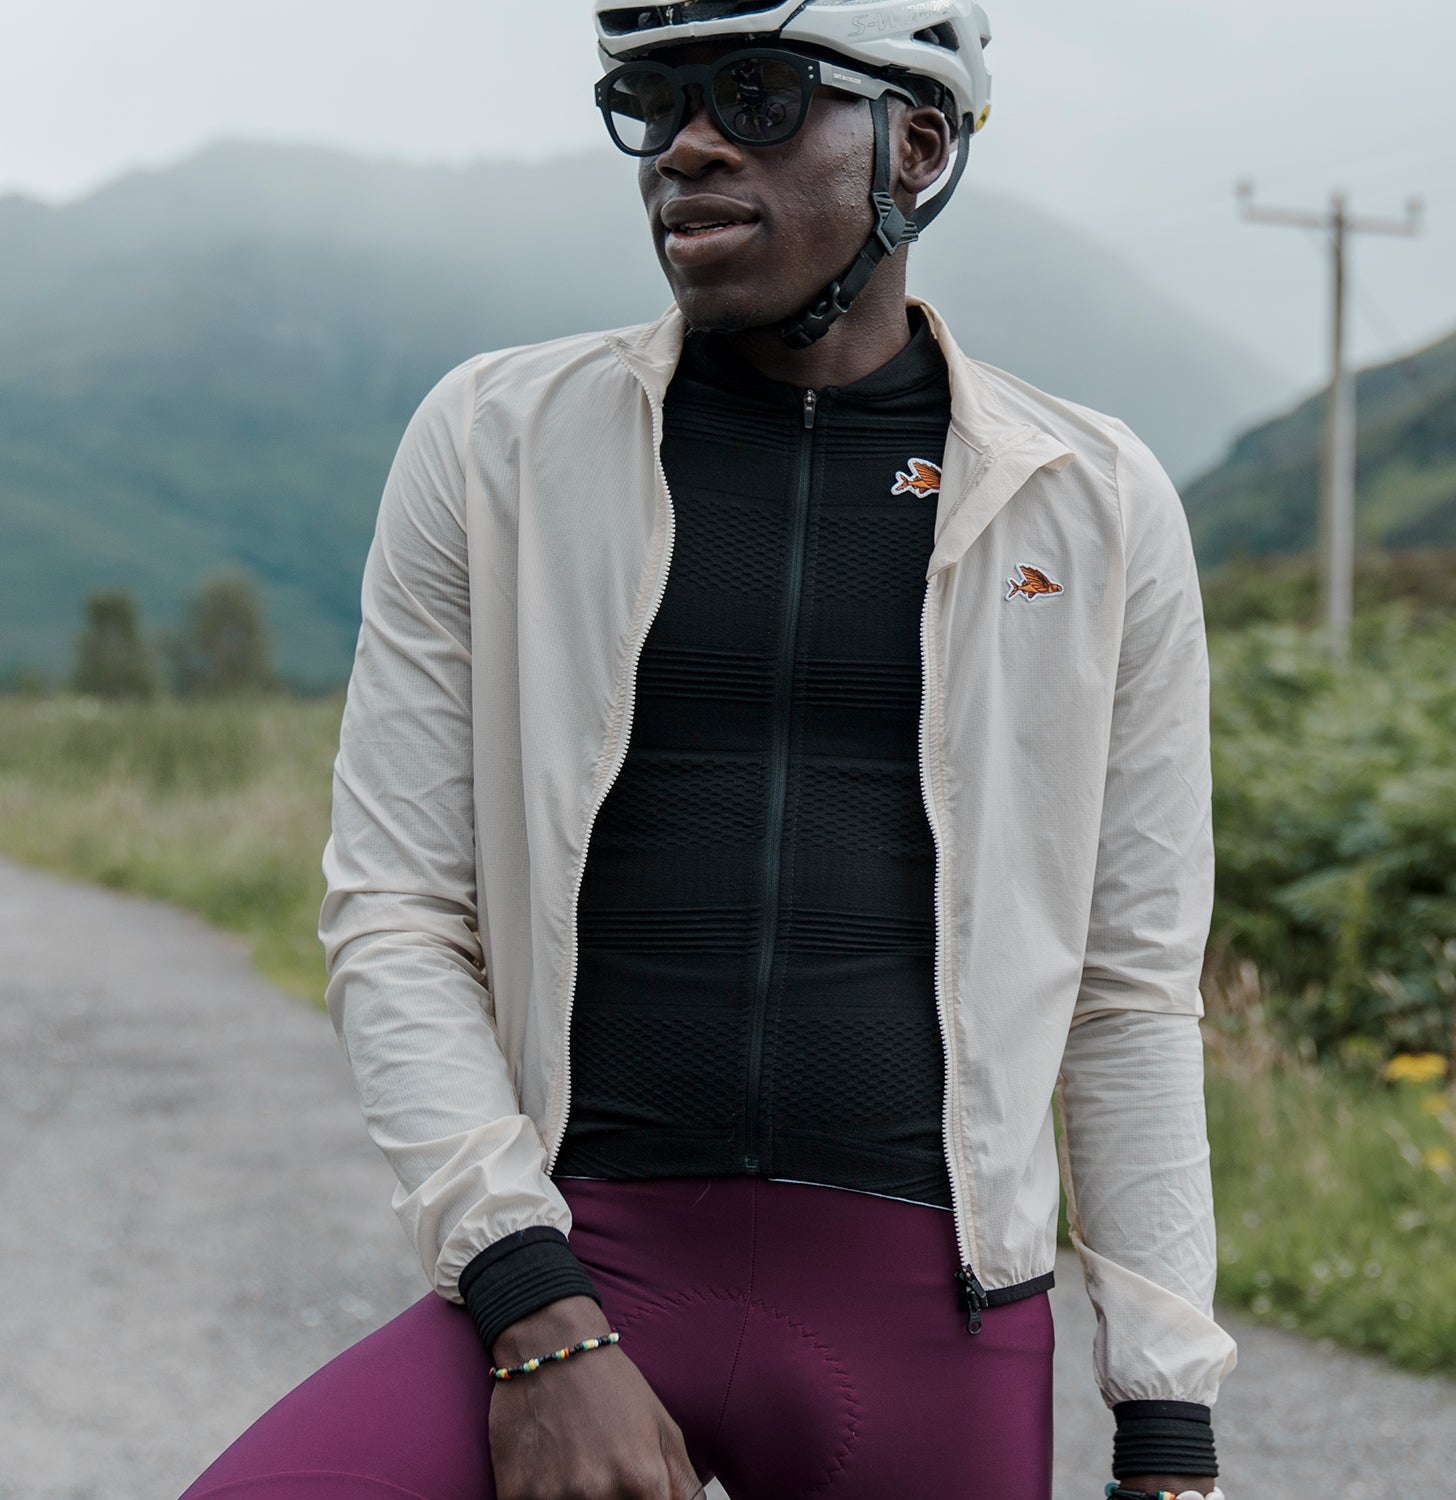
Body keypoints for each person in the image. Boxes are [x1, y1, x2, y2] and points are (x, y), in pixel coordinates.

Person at [180, 3, 1234, 1497]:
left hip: (930, 1316)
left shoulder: (1094, 499)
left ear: (917, 144)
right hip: (586, 1260)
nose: (686, 146)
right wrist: (535, 1311)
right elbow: (398, 910)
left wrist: (1168, 1424)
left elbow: (1128, 989)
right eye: (656, 101)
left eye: (758, 95)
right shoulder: (496, 442)